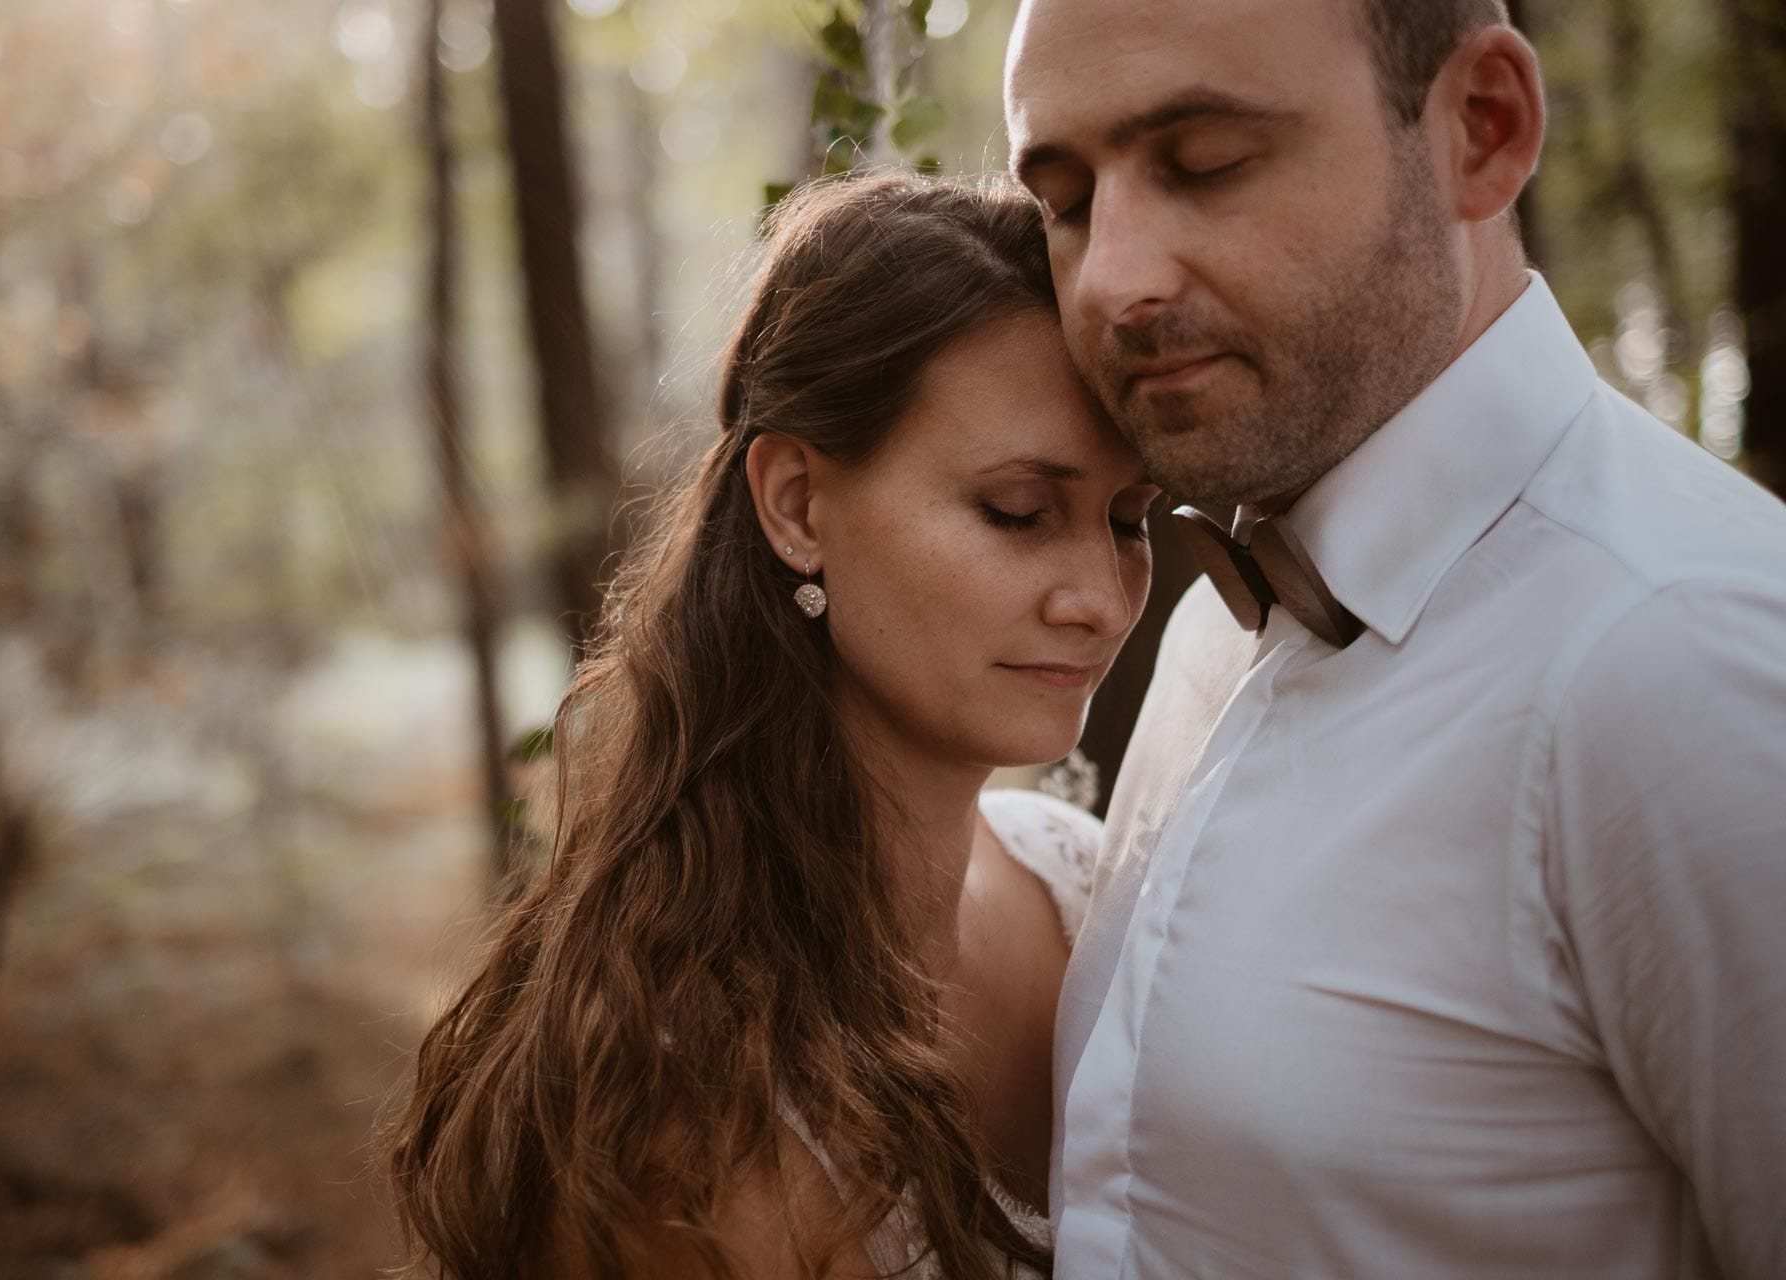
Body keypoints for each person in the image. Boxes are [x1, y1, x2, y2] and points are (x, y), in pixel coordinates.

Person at [1003, 0, 1786, 1275]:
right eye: (1066, 200)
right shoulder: (1214, 623)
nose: (1111, 279)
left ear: (1480, 129)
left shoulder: (1688, 660)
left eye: (1205, 164)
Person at [382, 171, 1161, 1279]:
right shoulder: (681, 1105)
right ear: (797, 504)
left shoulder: (1089, 896)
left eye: (1128, 519)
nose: (1098, 592)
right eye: (1018, 511)